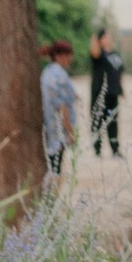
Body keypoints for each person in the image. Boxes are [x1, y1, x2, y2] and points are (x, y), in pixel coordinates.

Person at [38, 38, 78, 188]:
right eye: (69, 55)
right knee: (56, 170)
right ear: (61, 56)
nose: (71, 59)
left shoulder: (48, 72)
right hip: (58, 131)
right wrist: (70, 131)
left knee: (53, 166)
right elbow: (62, 107)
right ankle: (51, 204)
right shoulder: (60, 76)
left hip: (50, 129)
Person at [88, 25, 125, 157]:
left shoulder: (114, 54)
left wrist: (121, 89)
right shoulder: (98, 54)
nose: (109, 38)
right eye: (105, 36)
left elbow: (119, 72)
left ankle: (115, 149)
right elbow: (94, 51)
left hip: (113, 93)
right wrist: (95, 37)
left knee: (113, 121)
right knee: (98, 120)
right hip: (100, 93)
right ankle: (97, 149)